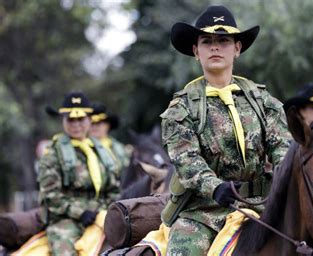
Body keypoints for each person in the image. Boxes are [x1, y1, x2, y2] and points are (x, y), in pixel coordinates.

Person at [160, 5, 291, 255]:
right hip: (202, 213)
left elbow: (282, 148)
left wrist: (287, 178)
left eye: (223, 40)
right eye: (207, 41)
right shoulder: (181, 108)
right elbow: (186, 160)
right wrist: (215, 187)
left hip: (262, 206)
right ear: (196, 51)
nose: (216, 47)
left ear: (237, 48)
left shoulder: (264, 101)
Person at [38, 92, 121, 255]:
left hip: (102, 214)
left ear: (90, 119)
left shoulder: (102, 152)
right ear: (63, 121)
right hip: (66, 220)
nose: (76, 124)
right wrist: (81, 212)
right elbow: (51, 195)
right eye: (71, 119)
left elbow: (114, 188)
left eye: (81, 119)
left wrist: (109, 210)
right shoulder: (53, 155)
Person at [90, 102, 131, 178]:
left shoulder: (120, 148)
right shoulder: (84, 148)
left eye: (99, 123)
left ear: (108, 125)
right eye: (92, 123)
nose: (95, 126)